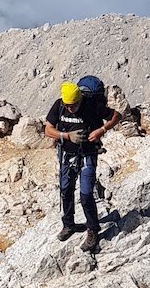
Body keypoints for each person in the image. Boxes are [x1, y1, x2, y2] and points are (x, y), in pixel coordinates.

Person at [45, 78, 122, 252]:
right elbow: (48, 130)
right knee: (66, 190)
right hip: (67, 155)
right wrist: (66, 136)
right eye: (68, 105)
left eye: (73, 105)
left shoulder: (92, 106)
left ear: (80, 99)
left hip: (88, 154)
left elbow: (117, 116)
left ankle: (93, 230)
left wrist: (101, 130)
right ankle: (69, 224)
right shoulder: (60, 105)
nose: (70, 108)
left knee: (86, 194)